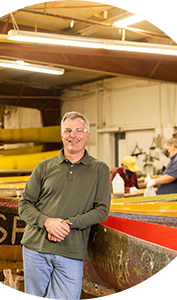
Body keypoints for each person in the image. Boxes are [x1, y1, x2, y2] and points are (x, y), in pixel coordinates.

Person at [18, 111, 111, 300]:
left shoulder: (99, 169)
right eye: (68, 130)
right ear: (62, 135)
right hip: (36, 247)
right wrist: (47, 222)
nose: (73, 135)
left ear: (87, 135)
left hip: (71, 250)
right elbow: (25, 204)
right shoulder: (43, 167)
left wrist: (68, 223)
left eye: (78, 130)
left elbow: (102, 211)